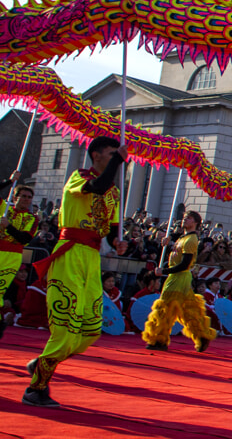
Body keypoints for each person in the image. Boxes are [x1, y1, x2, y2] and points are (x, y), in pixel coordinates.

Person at [24, 136, 129, 408]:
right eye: (110, 153)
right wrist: (118, 161)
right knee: (65, 328)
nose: (114, 156)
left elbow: (113, 226)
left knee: (90, 331)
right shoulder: (78, 177)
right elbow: (96, 186)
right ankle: (35, 389)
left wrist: (118, 242)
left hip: (92, 258)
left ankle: (42, 363)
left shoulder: (115, 192)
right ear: (96, 155)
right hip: (69, 253)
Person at [141, 210, 217, 352]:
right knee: (188, 309)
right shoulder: (183, 238)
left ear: (195, 223)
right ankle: (202, 335)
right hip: (178, 277)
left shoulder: (191, 240)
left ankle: (159, 339)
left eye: (188, 218)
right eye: (184, 218)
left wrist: (163, 271)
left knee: (165, 307)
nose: (184, 220)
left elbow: (185, 264)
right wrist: (165, 244)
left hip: (179, 277)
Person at [0, 180, 37, 341]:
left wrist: (8, 227)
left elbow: (24, 238)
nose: (26, 199)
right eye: (23, 196)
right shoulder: (5, 209)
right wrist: (9, 180)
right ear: (15, 198)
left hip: (12, 256)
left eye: (29, 197)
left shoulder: (32, 219)